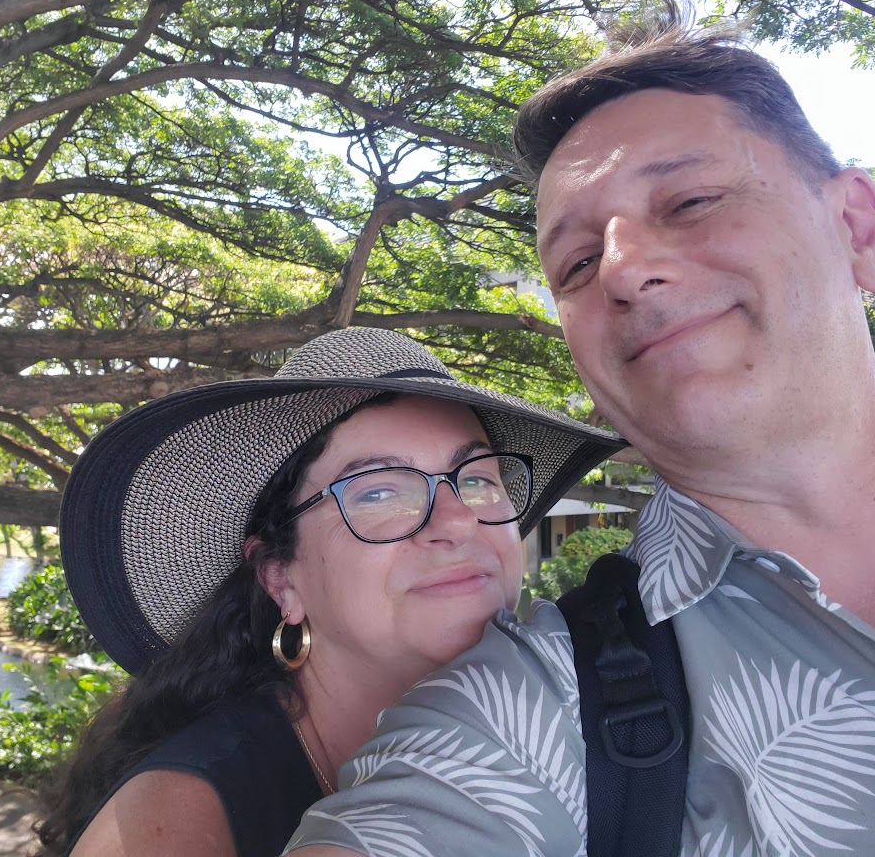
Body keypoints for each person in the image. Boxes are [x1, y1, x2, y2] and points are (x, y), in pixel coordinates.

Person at [285, 3, 875, 857]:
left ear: (857, 230)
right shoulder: (536, 708)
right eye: (575, 264)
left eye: (689, 200)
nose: (620, 268)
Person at [34, 326, 623, 856]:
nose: (458, 521)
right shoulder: (176, 820)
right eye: (377, 492)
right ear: (281, 578)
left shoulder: (593, 715)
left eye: (475, 479)